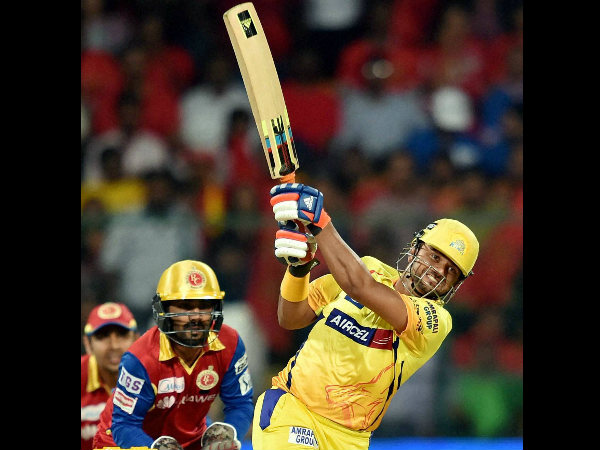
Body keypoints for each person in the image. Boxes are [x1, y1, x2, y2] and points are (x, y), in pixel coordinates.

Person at [252, 183, 479, 450]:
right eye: (435, 256)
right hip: (294, 410)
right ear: (415, 249)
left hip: (352, 439)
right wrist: (298, 271)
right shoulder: (368, 268)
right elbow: (291, 318)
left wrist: (320, 221)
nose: (439, 271)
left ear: (456, 284)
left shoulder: (436, 321)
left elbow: (360, 287)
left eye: (451, 270)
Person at [93, 260, 254, 450]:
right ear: (163, 309)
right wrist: (154, 447)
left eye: (204, 305)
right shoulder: (140, 359)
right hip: (119, 442)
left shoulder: (230, 343)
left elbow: (240, 403)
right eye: (185, 306)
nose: (196, 316)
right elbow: (124, 426)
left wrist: (229, 433)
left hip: (189, 438)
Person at [81, 302, 139, 450]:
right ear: (88, 344)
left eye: (122, 334)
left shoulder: (156, 374)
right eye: (103, 336)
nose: (114, 345)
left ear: (136, 339)